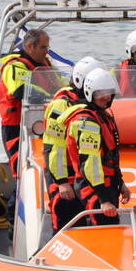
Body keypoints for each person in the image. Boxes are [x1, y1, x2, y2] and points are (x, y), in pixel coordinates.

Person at [42, 55, 102, 231]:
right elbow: (54, 147)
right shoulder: (61, 105)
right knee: (66, 222)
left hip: (82, 172)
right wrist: (62, 182)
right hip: (64, 174)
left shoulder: (92, 103)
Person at [64, 68, 131, 226]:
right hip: (94, 189)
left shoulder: (102, 115)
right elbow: (89, 163)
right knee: (101, 231)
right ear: (90, 93)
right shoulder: (87, 122)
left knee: (112, 231)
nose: (106, 97)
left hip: (108, 185)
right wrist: (104, 200)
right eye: (100, 93)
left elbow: (111, 157)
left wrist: (121, 184)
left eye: (109, 92)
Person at [0, 28, 54, 176]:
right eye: (43, 47)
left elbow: (58, 85)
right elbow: (20, 91)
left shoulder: (46, 65)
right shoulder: (14, 66)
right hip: (17, 126)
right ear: (30, 47)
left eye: (47, 47)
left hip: (44, 123)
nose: (46, 51)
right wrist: (51, 97)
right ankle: (16, 199)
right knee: (22, 172)